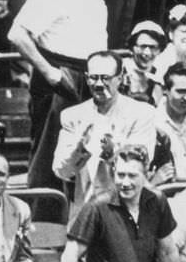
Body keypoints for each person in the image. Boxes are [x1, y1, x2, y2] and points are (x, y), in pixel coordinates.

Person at [7, 0, 108, 189]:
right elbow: (17, 34)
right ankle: (42, 220)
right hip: (59, 76)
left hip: (90, 76)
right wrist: (50, 72)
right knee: (49, 153)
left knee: (84, 151)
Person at [60, 146, 186, 262]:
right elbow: (70, 254)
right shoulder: (98, 205)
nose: (125, 182)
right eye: (121, 175)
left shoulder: (157, 201)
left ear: (147, 174)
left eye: (133, 176)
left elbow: (167, 252)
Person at [53, 50, 157, 207]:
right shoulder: (72, 116)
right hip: (86, 209)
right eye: (94, 78)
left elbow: (142, 161)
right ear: (87, 78)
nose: (99, 84)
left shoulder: (142, 113)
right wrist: (78, 150)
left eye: (106, 78)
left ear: (120, 78)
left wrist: (113, 152)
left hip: (128, 206)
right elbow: (62, 171)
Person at [121, 20, 167, 103]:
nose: (147, 53)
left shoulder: (159, 75)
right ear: (132, 47)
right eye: (142, 46)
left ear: (160, 49)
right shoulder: (119, 69)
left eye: (153, 47)